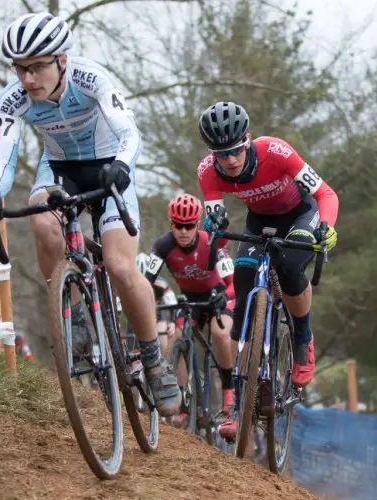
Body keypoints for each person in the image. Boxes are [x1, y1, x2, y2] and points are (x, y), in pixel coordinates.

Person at [0, 12, 180, 416]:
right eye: (20, 69)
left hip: (108, 166)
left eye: (36, 67)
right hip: (60, 168)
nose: (27, 79)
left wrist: (122, 165)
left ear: (61, 61)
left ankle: (154, 360)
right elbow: (4, 154)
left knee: (121, 266)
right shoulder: (13, 98)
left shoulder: (91, 79)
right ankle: (73, 314)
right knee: (41, 218)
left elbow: (129, 132)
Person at [196, 101, 339, 432]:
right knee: (243, 291)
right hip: (258, 221)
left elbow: (326, 194)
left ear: (247, 139)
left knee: (290, 267)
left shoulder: (276, 151)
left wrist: (327, 227)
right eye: (220, 154)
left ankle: (303, 335)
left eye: (234, 150)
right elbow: (215, 231)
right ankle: (242, 398)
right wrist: (213, 231)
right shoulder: (207, 171)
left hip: (300, 215)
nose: (229, 160)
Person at [143, 193, 237, 438]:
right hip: (191, 302)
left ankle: (229, 392)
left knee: (220, 333)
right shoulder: (163, 246)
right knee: (178, 340)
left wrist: (225, 296)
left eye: (189, 226)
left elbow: (233, 282)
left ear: (197, 224)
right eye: (178, 225)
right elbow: (145, 284)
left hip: (219, 297)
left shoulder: (211, 242)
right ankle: (184, 399)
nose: (183, 231)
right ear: (171, 224)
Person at [134, 252, 176, 354]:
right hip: (137, 317)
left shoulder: (161, 283)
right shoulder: (128, 285)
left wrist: (172, 322)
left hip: (157, 315)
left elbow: (173, 305)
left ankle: (162, 361)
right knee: (133, 344)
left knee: (161, 335)